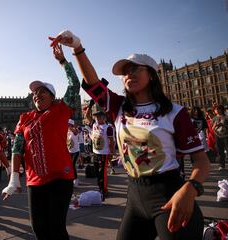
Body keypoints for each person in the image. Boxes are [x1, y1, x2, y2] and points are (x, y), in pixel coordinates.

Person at [50, 30, 210, 240]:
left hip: (170, 195)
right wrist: (77, 47)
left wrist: (190, 189)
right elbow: (93, 81)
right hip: (135, 195)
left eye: (135, 69)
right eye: (125, 72)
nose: (129, 74)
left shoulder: (175, 112)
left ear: (152, 74)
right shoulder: (118, 106)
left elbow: (201, 161)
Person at [2, 44, 80, 240]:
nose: (36, 94)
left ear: (52, 96)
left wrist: (62, 61)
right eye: (34, 93)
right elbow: (17, 147)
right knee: (39, 228)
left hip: (60, 178)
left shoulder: (61, 109)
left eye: (41, 91)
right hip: (35, 180)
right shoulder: (25, 117)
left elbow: (74, 85)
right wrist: (14, 178)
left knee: (56, 228)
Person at [85, 109, 115, 199]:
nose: (97, 118)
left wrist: (112, 153)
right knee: (97, 172)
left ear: (104, 118)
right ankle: (100, 187)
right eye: (96, 117)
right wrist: (89, 108)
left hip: (104, 153)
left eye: (100, 117)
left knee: (102, 173)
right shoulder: (94, 124)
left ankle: (104, 190)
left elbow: (111, 142)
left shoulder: (108, 128)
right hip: (95, 153)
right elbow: (87, 116)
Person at [212, 104, 228, 170]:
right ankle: (222, 165)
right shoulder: (214, 118)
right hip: (217, 136)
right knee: (220, 151)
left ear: (222, 110)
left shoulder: (226, 117)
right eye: (216, 109)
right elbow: (212, 128)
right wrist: (216, 125)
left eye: (219, 109)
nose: (217, 111)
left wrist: (223, 125)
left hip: (226, 136)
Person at [67, 119, 80, 186]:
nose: (67, 126)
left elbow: (76, 132)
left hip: (75, 151)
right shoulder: (66, 132)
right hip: (68, 152)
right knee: (69, 166)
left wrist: (71, 128)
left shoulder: (75, 131)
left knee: (72, 165)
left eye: (69, 125)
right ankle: (70, 178)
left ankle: (76, 179)